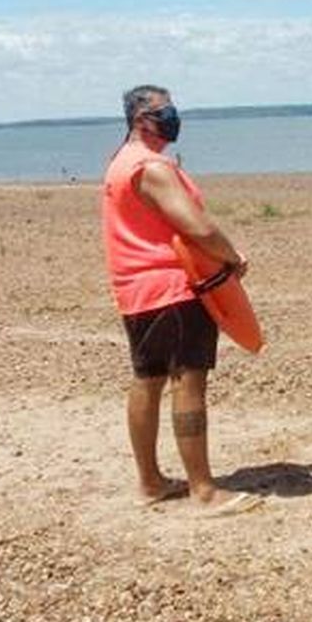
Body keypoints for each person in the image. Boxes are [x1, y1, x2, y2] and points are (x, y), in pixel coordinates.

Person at [102, 84, 262, 515]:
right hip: (173, 285)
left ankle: (151, 482)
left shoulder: (120, 163)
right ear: (141, 118)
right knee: (187, 381)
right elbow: (198, 227)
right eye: (165, 110)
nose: (173, 116)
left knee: (148, 379)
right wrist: (232, 257)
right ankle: (204, 491)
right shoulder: (151, 167)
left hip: (135, 287)